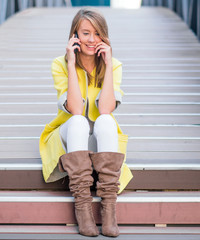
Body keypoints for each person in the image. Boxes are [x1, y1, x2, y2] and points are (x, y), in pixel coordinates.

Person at [39, 8, 133, 237]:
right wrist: (72, 64)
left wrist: (108, 65)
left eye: (98, 33)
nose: (92, 39)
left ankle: (109, 212)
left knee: (106, 122)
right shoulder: (59, 64)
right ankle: (83, 209)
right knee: (80, 122)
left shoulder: (115, 65)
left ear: (104, 37)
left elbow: (106, 109)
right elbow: (75, 109)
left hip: (101, 141)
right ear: (75, 36)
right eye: (86, 33)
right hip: (70, 136)